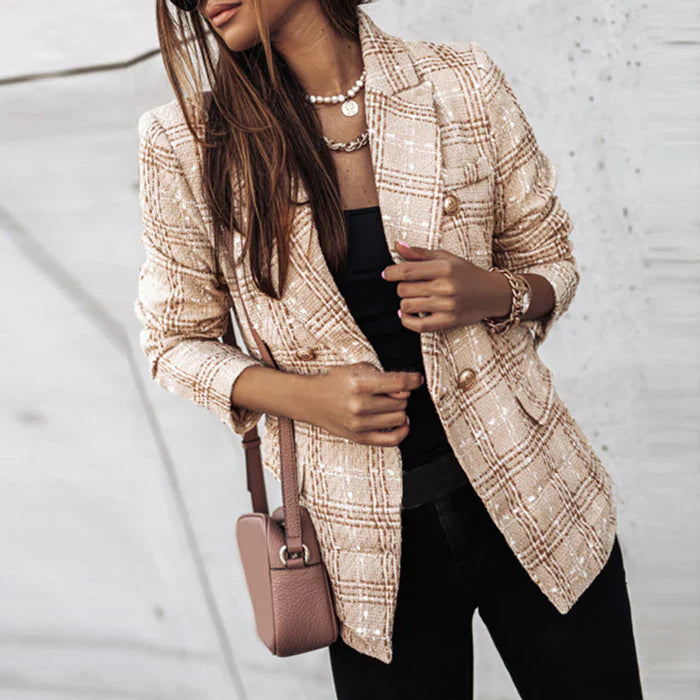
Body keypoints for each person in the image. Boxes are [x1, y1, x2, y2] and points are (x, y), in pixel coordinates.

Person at [134, 1, 645, 697]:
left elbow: (550, 261)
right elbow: (173, 342)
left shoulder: (460, 81)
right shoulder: (188, 143)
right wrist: (307, 398)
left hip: (538, 501)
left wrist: (492, 292)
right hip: (363, 557)